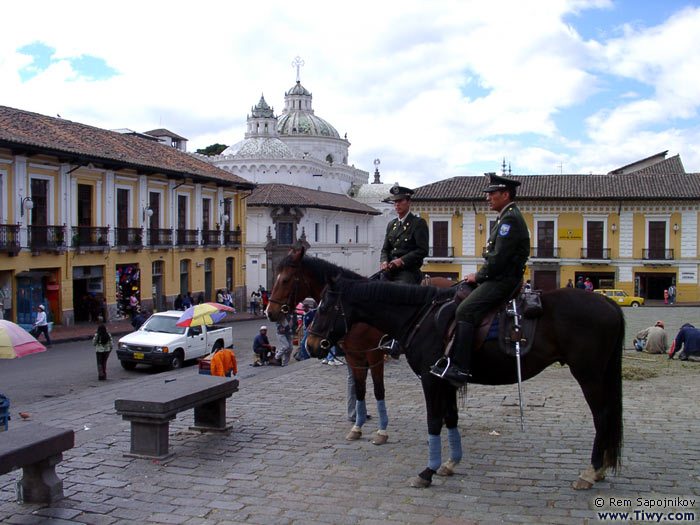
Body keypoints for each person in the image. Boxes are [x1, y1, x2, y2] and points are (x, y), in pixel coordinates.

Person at [431, 174, 530, 386]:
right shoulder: (505, 217)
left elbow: (499, 258)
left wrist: (478, 276)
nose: (488, 198)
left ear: (506, 194)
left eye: (492, 194)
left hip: (503, 281)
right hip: (498, 277)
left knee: (465, 311)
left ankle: (460, 367)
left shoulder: (510, 220)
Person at [380, 184, 429, 284]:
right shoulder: (391, 224)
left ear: (409, 202)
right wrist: (384, 261)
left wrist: (401, 260)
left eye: (400, 201)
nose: (397, 204)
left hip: (408, 271)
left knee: (399, 291)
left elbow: (422, 250)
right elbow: (385, 249)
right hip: (390, 270)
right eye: (395, 202)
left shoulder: (418, 223)